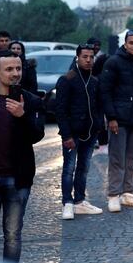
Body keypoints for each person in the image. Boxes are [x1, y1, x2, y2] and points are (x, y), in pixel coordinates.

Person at [0, 50, 45, 262]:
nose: (15, 73)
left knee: (13, 236)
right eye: (9, 69)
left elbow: (37, 135)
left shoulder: (32, 101)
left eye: (18, 68)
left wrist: (22, 116)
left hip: (17, 179)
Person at [100, 30, 133, 212]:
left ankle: (127, 192)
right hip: (118, 119)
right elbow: (105, 91)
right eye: (132, 43)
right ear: (125, 43)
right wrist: (111, 117)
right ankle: (114, 194)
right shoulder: (113, 62)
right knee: (117, 158)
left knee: (130, 158)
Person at [55, 44, 104, 219]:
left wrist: (98, 126)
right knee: (69, 168)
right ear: (78, 57)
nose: (89, 60)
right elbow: (60, 110)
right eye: (85, 56)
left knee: (84, 168)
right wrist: (66, 135)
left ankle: (80, 201)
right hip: (72, 134)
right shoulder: (67, 79)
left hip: (90, 133)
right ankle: (67, 203)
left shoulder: (95, 80)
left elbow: (98, 106)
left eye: (92, 57)